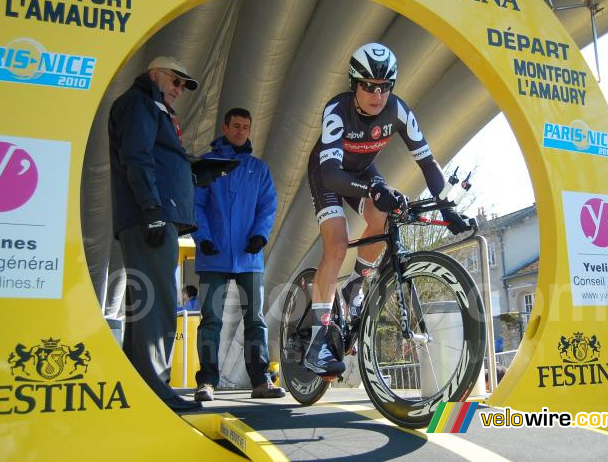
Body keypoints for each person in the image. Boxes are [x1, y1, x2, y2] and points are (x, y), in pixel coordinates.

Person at [303, 43, 473, 375]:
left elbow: (427, 163)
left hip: (364, 170)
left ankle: (356, 285)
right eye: (368, 85)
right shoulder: (337, 110)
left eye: (384, 87)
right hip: (329, 172)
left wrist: (447, 206)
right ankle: (317, 339)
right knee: (337, 244)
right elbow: (331, 175)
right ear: (354, 84)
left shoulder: (398, 111)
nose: (377, 94)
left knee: (385, 217)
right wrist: (373, 189)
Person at [108, 55, 201, 412]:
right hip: (150, 215)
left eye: (183, 85)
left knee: (144, 303)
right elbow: (137, 156)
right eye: (176, 81)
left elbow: (154, 159)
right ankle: (157, 390)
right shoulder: (139, 104)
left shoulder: (151, 107)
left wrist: (194, 174)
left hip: (155, 213)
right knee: (158, 303)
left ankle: (141, 390)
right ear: (155, 74)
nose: (179, 90)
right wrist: (151, 210)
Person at [191, 108, 285, 400]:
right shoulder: (207, 165)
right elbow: (196, 205)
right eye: (236, 126)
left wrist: (260, 235)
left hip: (248, 256)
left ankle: (261, 381)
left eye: (246, 126)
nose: (241, 131)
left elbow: (267, 206)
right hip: (213, 254)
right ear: (225, 127)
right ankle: (206, 381)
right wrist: (202, 238)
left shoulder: (259, 169)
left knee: (255, 320)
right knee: (210, 320)